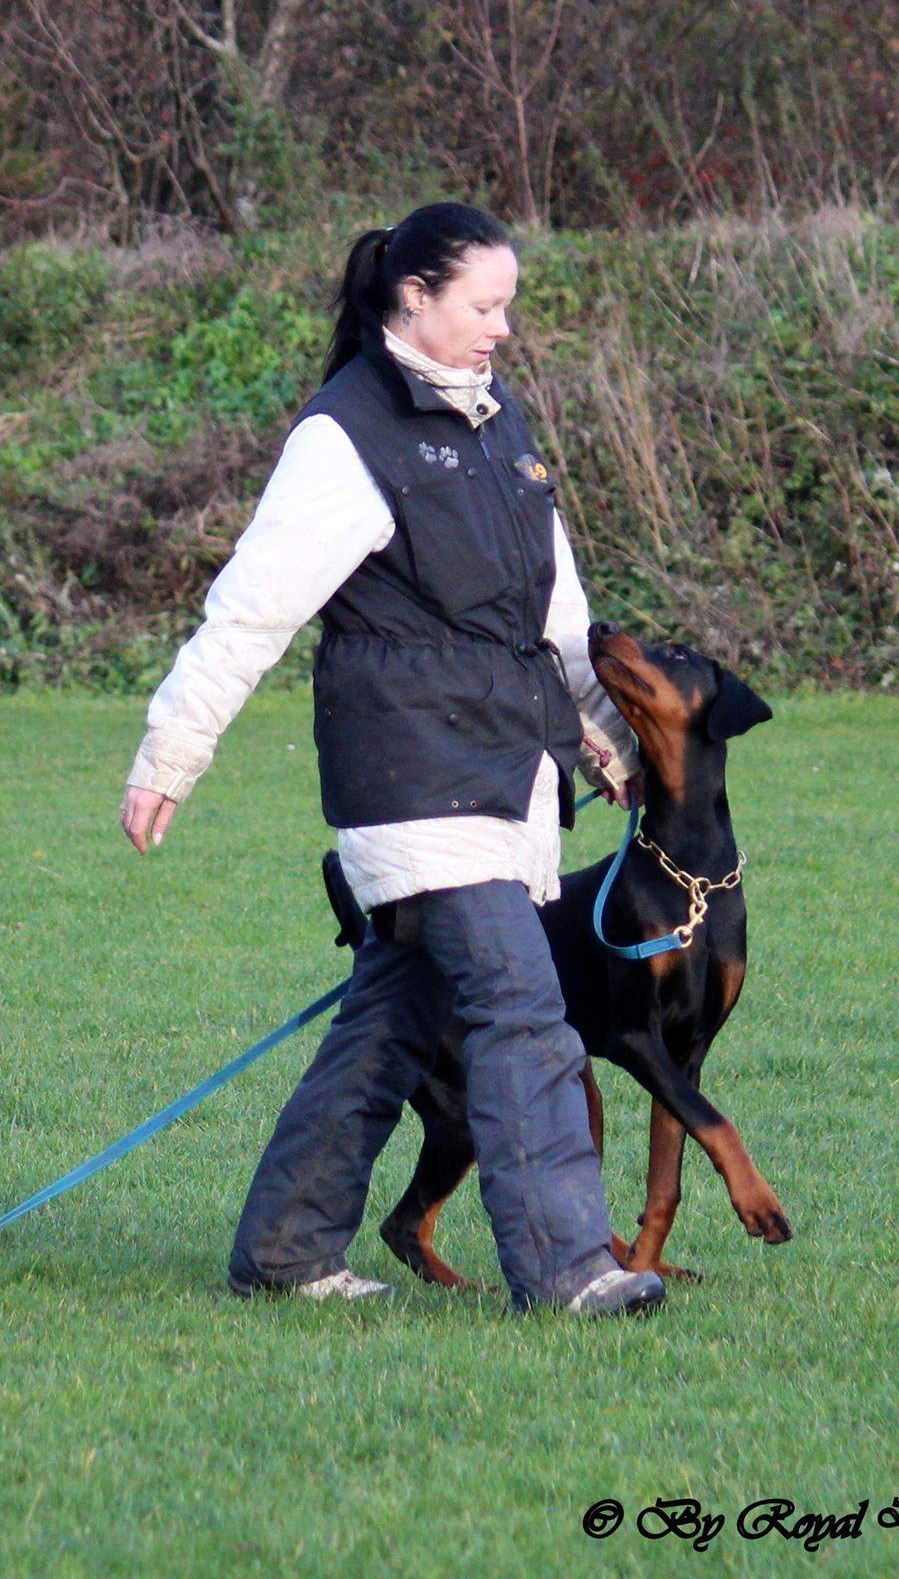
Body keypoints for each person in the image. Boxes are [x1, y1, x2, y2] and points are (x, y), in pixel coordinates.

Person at [120, 202, 665, 1317]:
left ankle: (283, 1249)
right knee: (521, 1007)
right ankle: (571, 1268)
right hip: (412, 775)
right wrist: (173, 747)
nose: (503, 328)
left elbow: (554, 607)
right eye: (485, 304)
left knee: (392, 1019)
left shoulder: (499, 422)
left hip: (503, 767)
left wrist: (593, 730)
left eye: (509, 305)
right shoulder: (345, 435)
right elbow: (252, 608)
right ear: (413, 295)